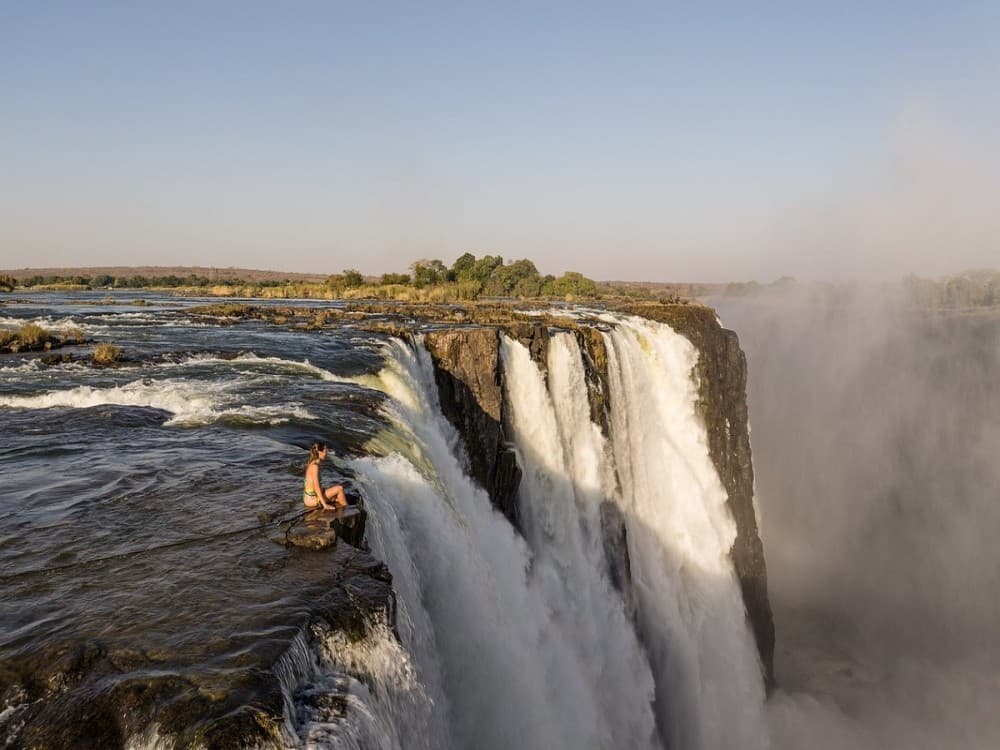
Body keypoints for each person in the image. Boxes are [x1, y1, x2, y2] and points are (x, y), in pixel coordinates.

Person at [303, 441, 347, 510]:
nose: (327, 453)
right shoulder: (315, 466)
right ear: (320, 452)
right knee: (340, 489)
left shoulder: (312, 463)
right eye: (325, 450)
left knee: (336, 496)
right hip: (312, 500)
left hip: (309, 497)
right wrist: (325, 505)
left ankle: (341, 508)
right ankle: (346, 511)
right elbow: (316, 487)